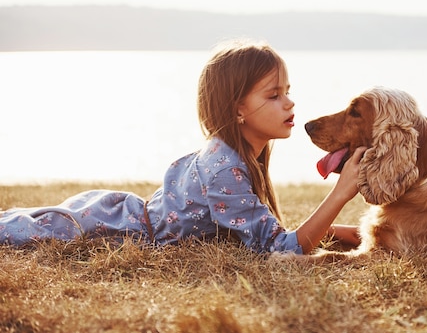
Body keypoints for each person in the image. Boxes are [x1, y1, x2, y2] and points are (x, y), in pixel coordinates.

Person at [0, 40, 364, 254]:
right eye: (273, 95)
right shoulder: (226, 168)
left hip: (118, 211)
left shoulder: (244, 156)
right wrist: (340, 192)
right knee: (14, 231)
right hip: (109, 227)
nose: (289, 104)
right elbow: (282, 249)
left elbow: (268, 232)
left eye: (288, 92)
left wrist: (368, 235)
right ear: (237, 108)